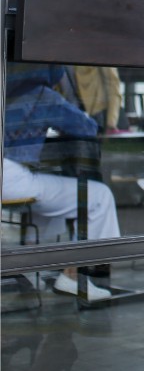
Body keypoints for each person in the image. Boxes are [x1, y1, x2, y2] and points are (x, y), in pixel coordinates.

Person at [3, 63, 120, 301]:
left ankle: (31, 268)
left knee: (52, 194)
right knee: (100, 196)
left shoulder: (5, 92)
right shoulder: (43, 95)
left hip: (10, 179)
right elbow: (86, 127)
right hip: (11, 179)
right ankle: (73, 276)